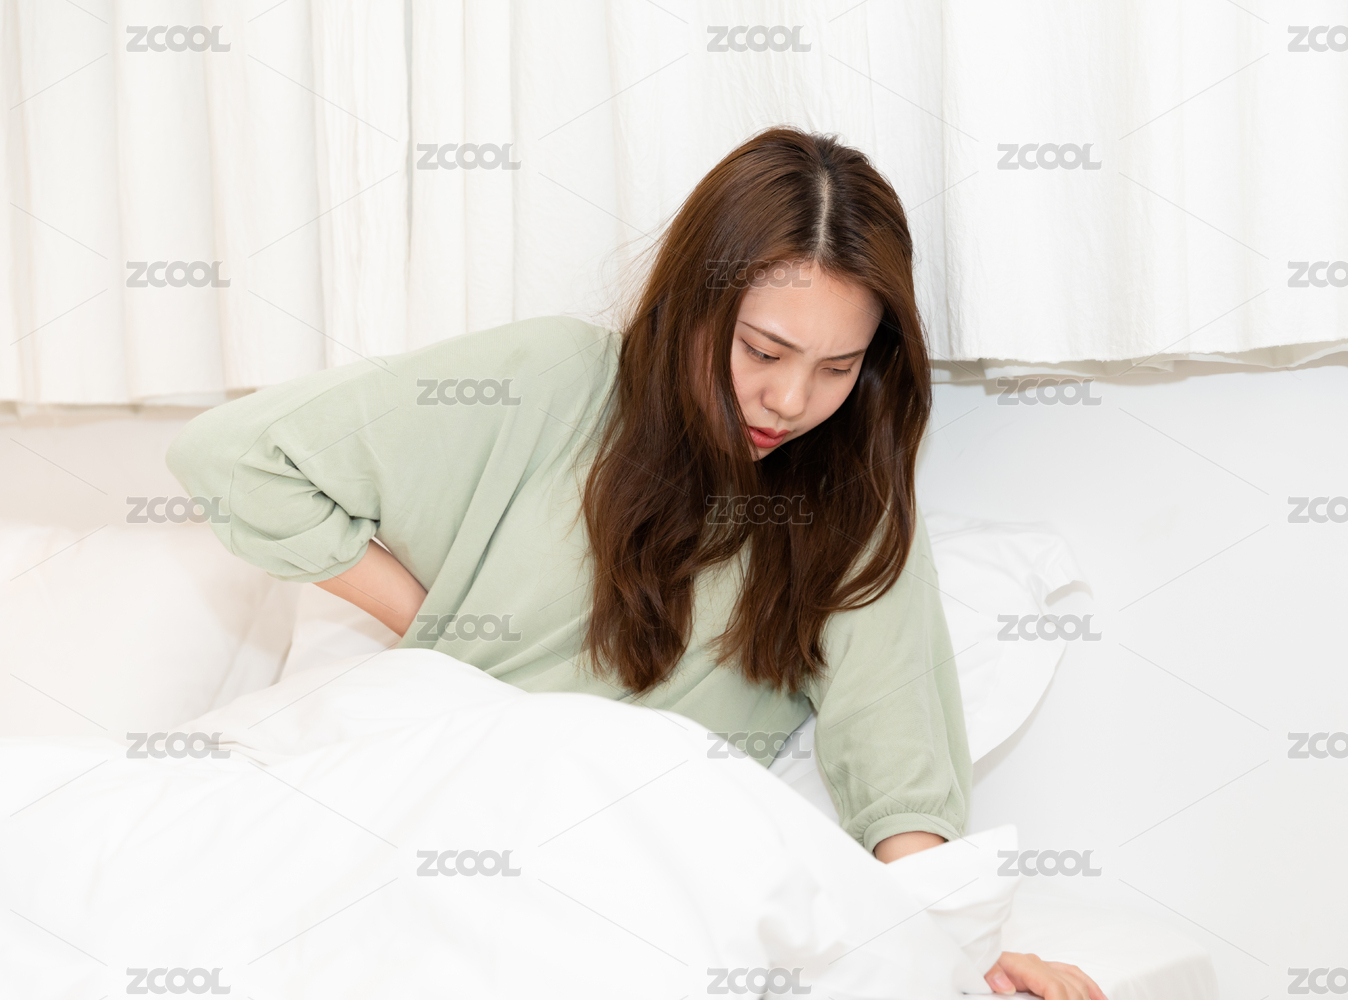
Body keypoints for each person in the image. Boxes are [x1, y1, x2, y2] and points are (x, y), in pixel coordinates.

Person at [169, 126, 1105, 1000]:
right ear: (695, 301)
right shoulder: (554, 380)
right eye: (763, 350)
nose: (789, 400)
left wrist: (951, 946)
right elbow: (237, 460)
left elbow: (894, 755)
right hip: (433, 795)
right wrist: (436, 634)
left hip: (621, 872)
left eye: (836, 368)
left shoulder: (848, 505)